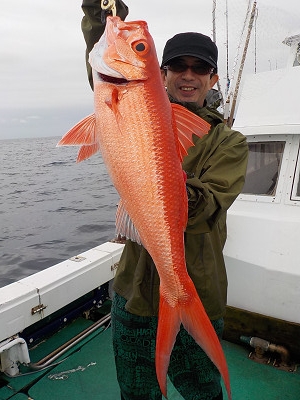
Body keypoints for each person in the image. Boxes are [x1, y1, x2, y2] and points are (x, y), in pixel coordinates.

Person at [81, 1, 249, 399]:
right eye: (178, 66)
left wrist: (160, 180)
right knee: (137, 392)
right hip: (133, 294)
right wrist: (99, 9)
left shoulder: (230, 142)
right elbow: (105, 53)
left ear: (213, 79)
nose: (188, 76)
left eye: (200, 68)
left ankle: (180, 304)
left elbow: (209, 204)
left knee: (203, 392)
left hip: (198, 291)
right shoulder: (128, 96)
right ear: (162, 73)